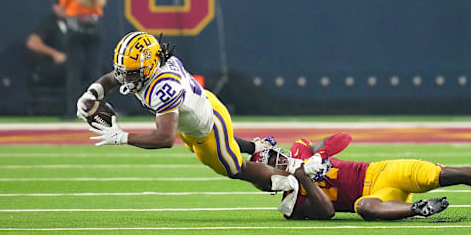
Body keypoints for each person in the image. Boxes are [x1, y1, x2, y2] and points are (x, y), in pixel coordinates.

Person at [77, 31, 318, 192]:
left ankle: (294, 181)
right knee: (215, 144)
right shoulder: (150, 67)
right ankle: (257, 148)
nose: (123, 77)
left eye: (130, 72)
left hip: (207, 127)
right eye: (122, 70)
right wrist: (92, 93)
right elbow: (111, 79)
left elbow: (164, 139)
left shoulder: (162, 87)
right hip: (195, 114)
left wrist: (122, 137)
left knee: (236, 170)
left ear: (148, 68)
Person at [247, 132, 471, 220]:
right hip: (380, 199)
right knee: (363, 208)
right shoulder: (292, 204)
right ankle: (418, 209)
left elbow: (343, 137)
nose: (278, 161)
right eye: (271, 163)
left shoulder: (301, 150)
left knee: (451, 173)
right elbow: (326, 213)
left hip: (381, 170)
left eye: (275, 157)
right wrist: (305, 179)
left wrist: (318, 156)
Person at [60, 0, 107, 119]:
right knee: (94, 70)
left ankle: (73, 110)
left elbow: (64, 5)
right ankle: (97, 109)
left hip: (75, 29)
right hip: (94, 28)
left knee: (74, 71)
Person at [25, 0, 68, 86]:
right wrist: (54, 54)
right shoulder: (50, 22)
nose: (62, 7)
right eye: (59, 4)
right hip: (55, 68)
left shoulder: (74, 22)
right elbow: (32, 43)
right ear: (54, 6)